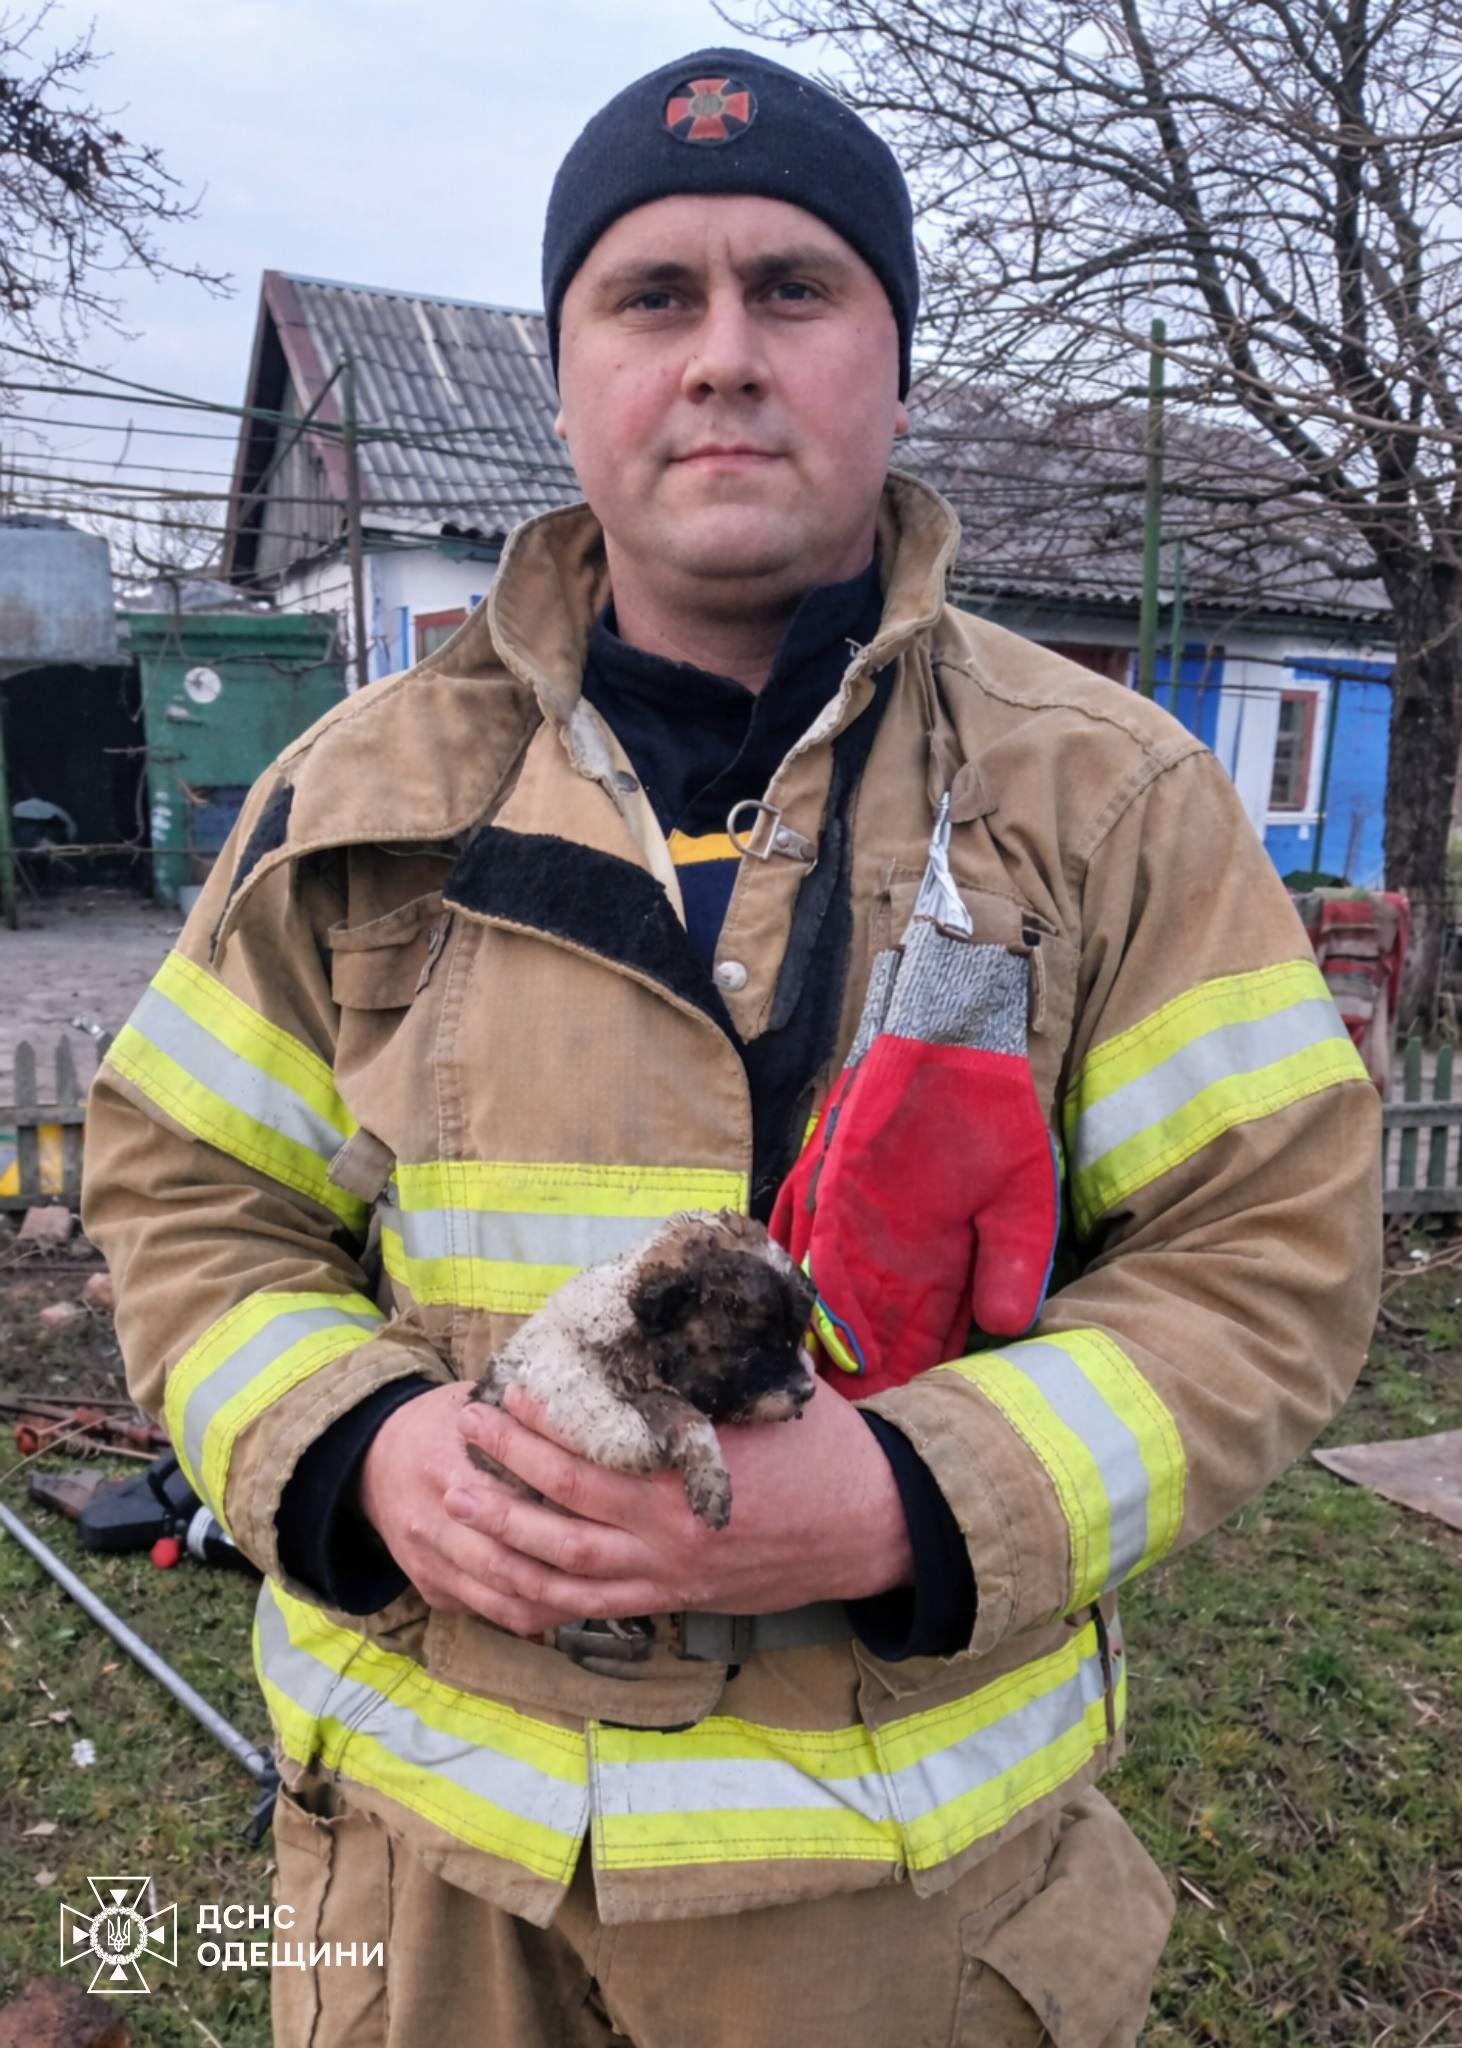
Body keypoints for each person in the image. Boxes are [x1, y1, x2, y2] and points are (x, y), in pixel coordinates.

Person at [83, 46, 1381, 2048]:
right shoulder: (351, 795)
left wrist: (914, 1497)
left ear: (887, 355)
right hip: (433, 1913)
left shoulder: (1112, 804)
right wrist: (357, 1448)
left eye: (790, 288)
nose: (719, 356)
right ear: (567, 369)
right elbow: (186, 1195)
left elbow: (1263, 1271)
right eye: (650, 297)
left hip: (897, 1925)